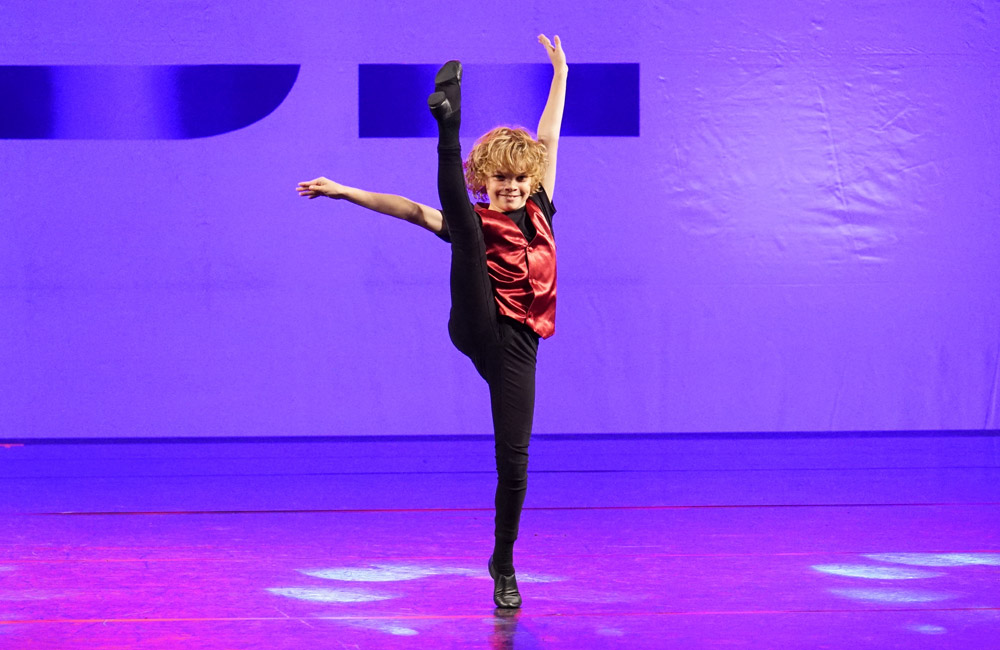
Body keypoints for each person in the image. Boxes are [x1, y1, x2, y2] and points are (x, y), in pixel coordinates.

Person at [297, 34, 567, 609]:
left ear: (531, 181)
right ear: (484, 182)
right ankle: (449, 128)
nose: (511, 188)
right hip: (474, 321)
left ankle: (503, 561)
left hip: (517, 346)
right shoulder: (478, 216)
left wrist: (560, 76)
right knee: (466, 232)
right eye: (499, 181)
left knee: (514, 461)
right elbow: (414, 210)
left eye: (519, 181)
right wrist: (345, 191)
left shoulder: (541, 207)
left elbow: (547, 139)